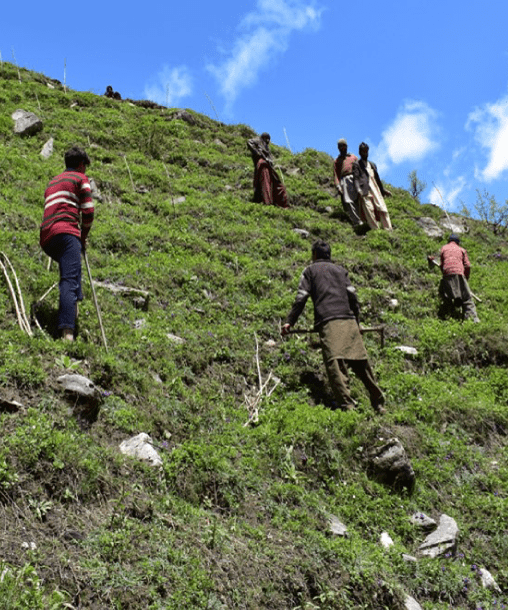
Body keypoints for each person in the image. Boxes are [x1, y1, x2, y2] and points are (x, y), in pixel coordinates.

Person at [281, 240, 386, 413]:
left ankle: (347, 406)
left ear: (314, 255)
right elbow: (353, 298)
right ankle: (378, 402)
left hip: (329, 321)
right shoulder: (340, 270)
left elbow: (301, 298)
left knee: (335, 364)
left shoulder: (310, 271)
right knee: (361, 363)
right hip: (349, 320)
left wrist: (289, 321)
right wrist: (357, 323)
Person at [40, 146, 94, 341]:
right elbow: (88, 212)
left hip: (47, 236)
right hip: (66, 232)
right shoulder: (80, 178)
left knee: (72, 270)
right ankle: (67, 333)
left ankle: (73, 315)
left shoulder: (53, 182)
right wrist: (83, 235)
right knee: (69, 281)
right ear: (81, 165)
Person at [436, 234, 479, 322]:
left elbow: (442, 265)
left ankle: (448, 313)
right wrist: (465, 279)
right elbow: (467, 266)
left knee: (445, 294)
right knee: (466, 298)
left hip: (447, 274)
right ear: (458, 243)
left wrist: (445, 273)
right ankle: (473, 319)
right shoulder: (462, 250)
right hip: (459, 273)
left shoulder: (443, 248)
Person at [353, 142, 393, 231]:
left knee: (382, 208)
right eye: (363, 151)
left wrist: (383, 190)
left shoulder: (372, 165)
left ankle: (388, 229)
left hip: (375, 189)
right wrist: (358, 189)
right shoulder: (357, 164)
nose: (365, 153)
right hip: (365, 190)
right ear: (360, 152)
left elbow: (377, 179)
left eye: (366, 151)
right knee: (369, 210)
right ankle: (376, 230)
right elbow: (355, 178)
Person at [247, 132, 288, 208]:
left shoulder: (266, 147)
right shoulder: (258, 140)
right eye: (267, 139)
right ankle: (267, 202)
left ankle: (281, 203)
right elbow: (249, 142)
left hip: (268, 166)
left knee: (278, 184)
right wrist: (258, 153)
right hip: (263, 164)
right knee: (265, 182)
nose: (268, 141)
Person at [333, 138, 362, 227]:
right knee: (349, 201)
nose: (342, 148)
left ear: (346, 146)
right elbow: (336, 175)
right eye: (340, 146)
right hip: (345, 180)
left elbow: (360, 168)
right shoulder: (337, 161)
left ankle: (365, 219)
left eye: (343, 146)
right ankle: (358, 222)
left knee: (360, 199)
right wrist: (338, 186)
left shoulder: (353, 157)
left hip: (355, 178)